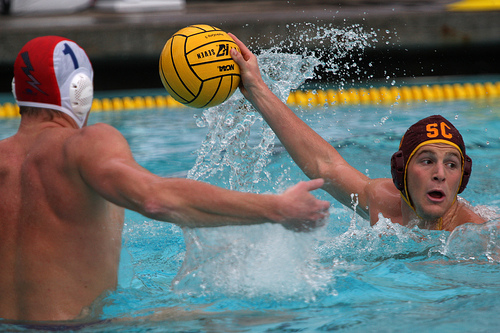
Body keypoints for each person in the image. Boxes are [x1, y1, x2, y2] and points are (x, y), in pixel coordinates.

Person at [0, 36, 331, 322]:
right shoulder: (83, 146)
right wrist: (278, 208)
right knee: (251, 318)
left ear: (17, 90)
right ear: (80, 91)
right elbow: (155, 198)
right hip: (81, 328)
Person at [229, 33, 487, 232]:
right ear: (401, 171)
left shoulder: (477, 234)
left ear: (462, 178)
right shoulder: (381, 202)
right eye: (427, 161)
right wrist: (256, 89)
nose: (440, 174)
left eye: (452, 165)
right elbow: (324, 166)